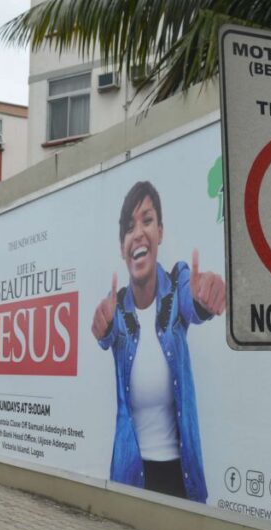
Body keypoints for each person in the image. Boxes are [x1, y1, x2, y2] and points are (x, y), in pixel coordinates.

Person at [92, 181, 226, 502]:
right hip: (131, 474)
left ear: (161, 232)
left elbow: (192, 302)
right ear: (122, 246)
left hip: (180, 475)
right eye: (129, 227)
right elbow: (105, 333)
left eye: (147, 221)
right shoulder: (118, 308)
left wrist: (207, 294)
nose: (138, 233)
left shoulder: (177, 283)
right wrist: (101, 327)